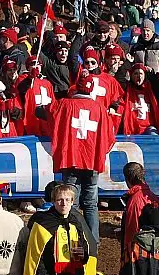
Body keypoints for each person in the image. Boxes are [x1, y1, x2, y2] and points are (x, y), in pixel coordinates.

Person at [47, 71, 117, 242]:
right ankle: (93, 240)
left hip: (70, 158)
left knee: (71, 203)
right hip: (92, 161)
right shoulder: (99, 108)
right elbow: (109, 136)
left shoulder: (64, 104)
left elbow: (45, 112)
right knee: (91, 203)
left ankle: (73, 238)